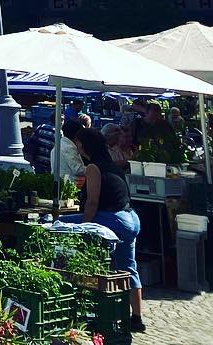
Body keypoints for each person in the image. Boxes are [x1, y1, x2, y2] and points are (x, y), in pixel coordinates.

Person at [63, 125, 144, 333]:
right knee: (128, 267)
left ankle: (92, 311)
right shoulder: (113, 165)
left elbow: (92, 203)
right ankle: (137, 318)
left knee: (62, 224)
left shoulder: (93, 168)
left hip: (113, 219)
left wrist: (83, 229)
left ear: (83, 145)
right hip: (131, 219)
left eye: (79, 143)